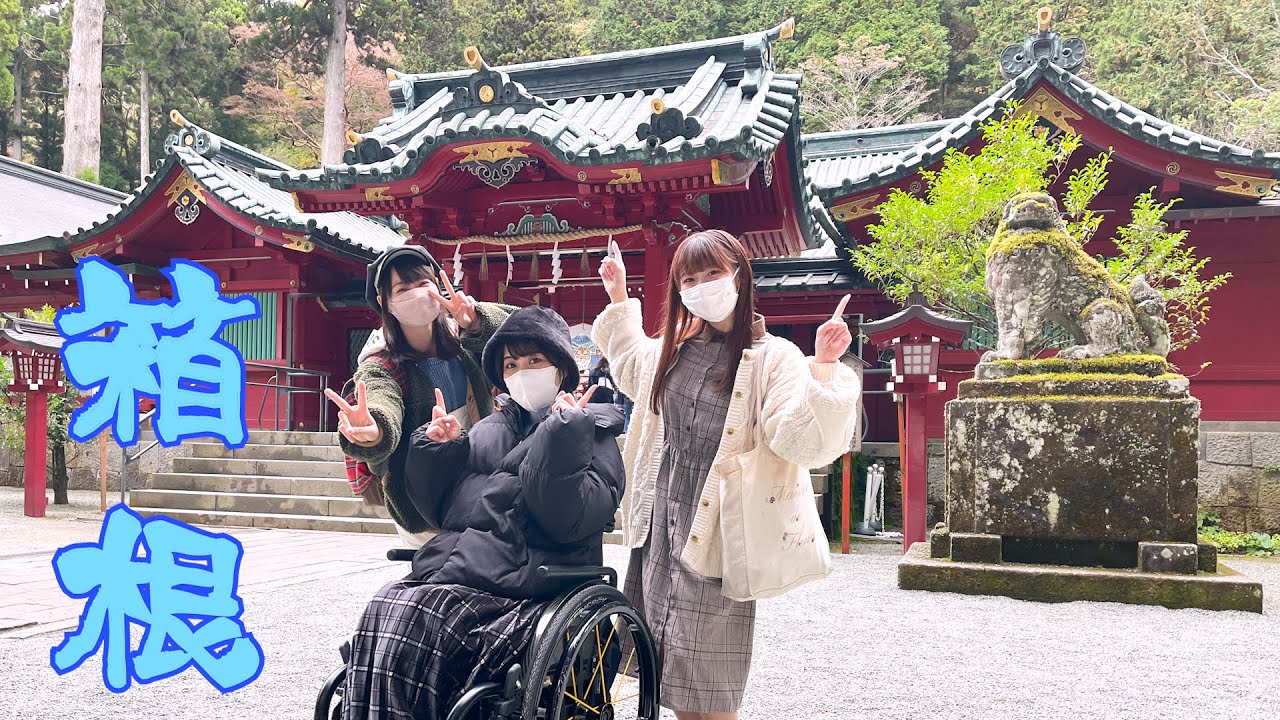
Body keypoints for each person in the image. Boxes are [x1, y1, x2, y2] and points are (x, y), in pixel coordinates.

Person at [591, 229, 860, 719]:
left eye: (712, 273)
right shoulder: (676, 345)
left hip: (718, 524)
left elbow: (795, 438)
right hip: (661, 519)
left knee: (710, 682)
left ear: (739, 275)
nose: (701, 287)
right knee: (665, 668)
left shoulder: (773, 357)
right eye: (689, 279)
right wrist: (619, 297)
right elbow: (631, 365)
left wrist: (822, 367)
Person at [341, 305, 626, 719]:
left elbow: (566, 521)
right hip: (465, 577)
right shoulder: (488, 429)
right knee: (385, 603)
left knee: (422, 614)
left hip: (530, 589)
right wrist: (438, 451)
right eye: (511, 364)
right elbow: (443, 514)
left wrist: (563, 437)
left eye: (534, 361)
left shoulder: (594, 435)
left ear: (561, 369)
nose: (522, 372)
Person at [324, 245, 515, 548]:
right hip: (423, 503)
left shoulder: (466, 339)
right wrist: (374, 430)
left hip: (482, 485)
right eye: (403, 289)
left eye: (423, 283)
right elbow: (380, 396)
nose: (416, 293)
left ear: (438, 286)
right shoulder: (381, 364)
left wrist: (477, 321)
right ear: (384, 302)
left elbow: (532, 330)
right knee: (436, 573)